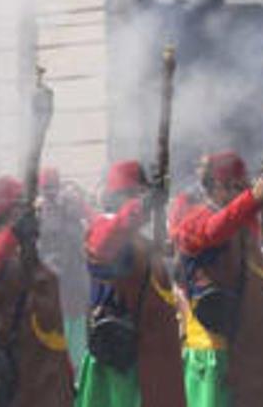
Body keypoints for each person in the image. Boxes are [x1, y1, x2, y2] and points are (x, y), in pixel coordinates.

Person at [174, 151, 263, 407]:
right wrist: (252, 199)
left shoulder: (243, 223)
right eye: (238, 186)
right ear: (217, 186)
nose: (244, 191)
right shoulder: (194, 219)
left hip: (249, 341)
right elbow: (212, 231)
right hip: (213, 344)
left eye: (246, 186)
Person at [76, 160, 185, 407]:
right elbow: (104, 244)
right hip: (119, 351)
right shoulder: (102, 227)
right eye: (138, 194)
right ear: (125, 196)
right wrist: (143, 206)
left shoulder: (137, 239)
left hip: (147, 352)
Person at [0, 176, 74, 407]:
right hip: (6, 371)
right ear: (12, 213)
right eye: (25, 209)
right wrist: (13, 235)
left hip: (39, 374)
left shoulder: (30, 254)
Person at [36, 166, 94, 372]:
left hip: (67, 279)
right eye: (46, 189)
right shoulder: (44, 211)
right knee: (68, 325)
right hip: (60, 281)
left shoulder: (53, 210)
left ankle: (73, 368)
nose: (50, 194)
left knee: (72, 324)